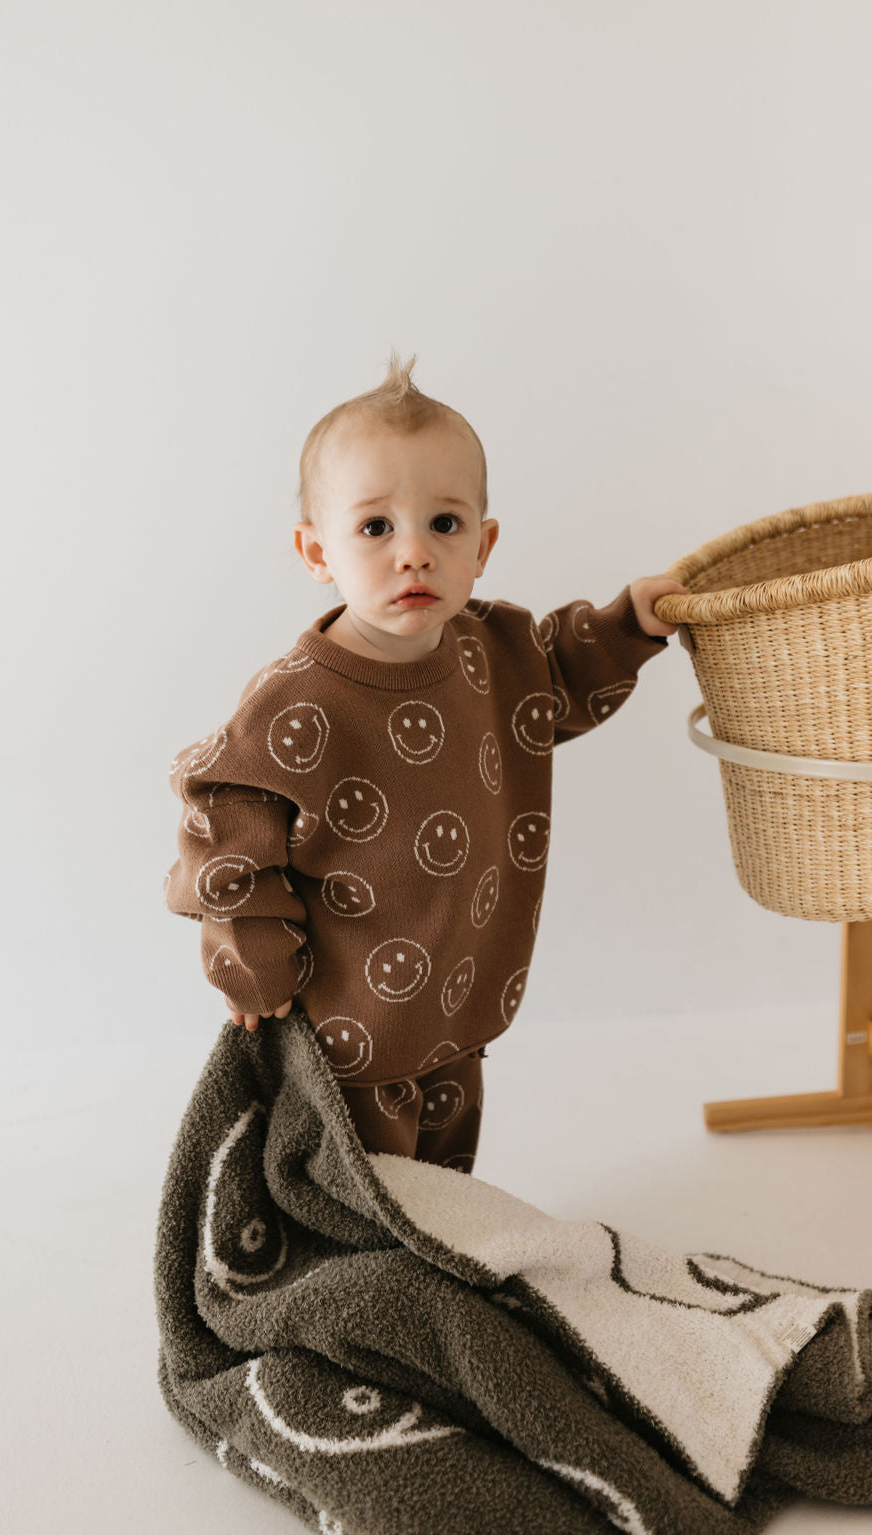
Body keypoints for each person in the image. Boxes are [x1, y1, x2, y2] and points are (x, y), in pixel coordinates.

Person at [164, 351, 687, 1173]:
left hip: (459, 991)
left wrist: (632, 626)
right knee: (366, 1191)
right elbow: (227, 832)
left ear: (483, 543)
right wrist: (256, 970)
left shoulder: (493, 650)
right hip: (347, 1018)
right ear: (315, 551)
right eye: (375, 527)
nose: (414, 552)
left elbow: (554, 681)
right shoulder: (295, 704)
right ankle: (369, 1281)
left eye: (444, 524)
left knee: (446, 1183)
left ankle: (439, 1271)